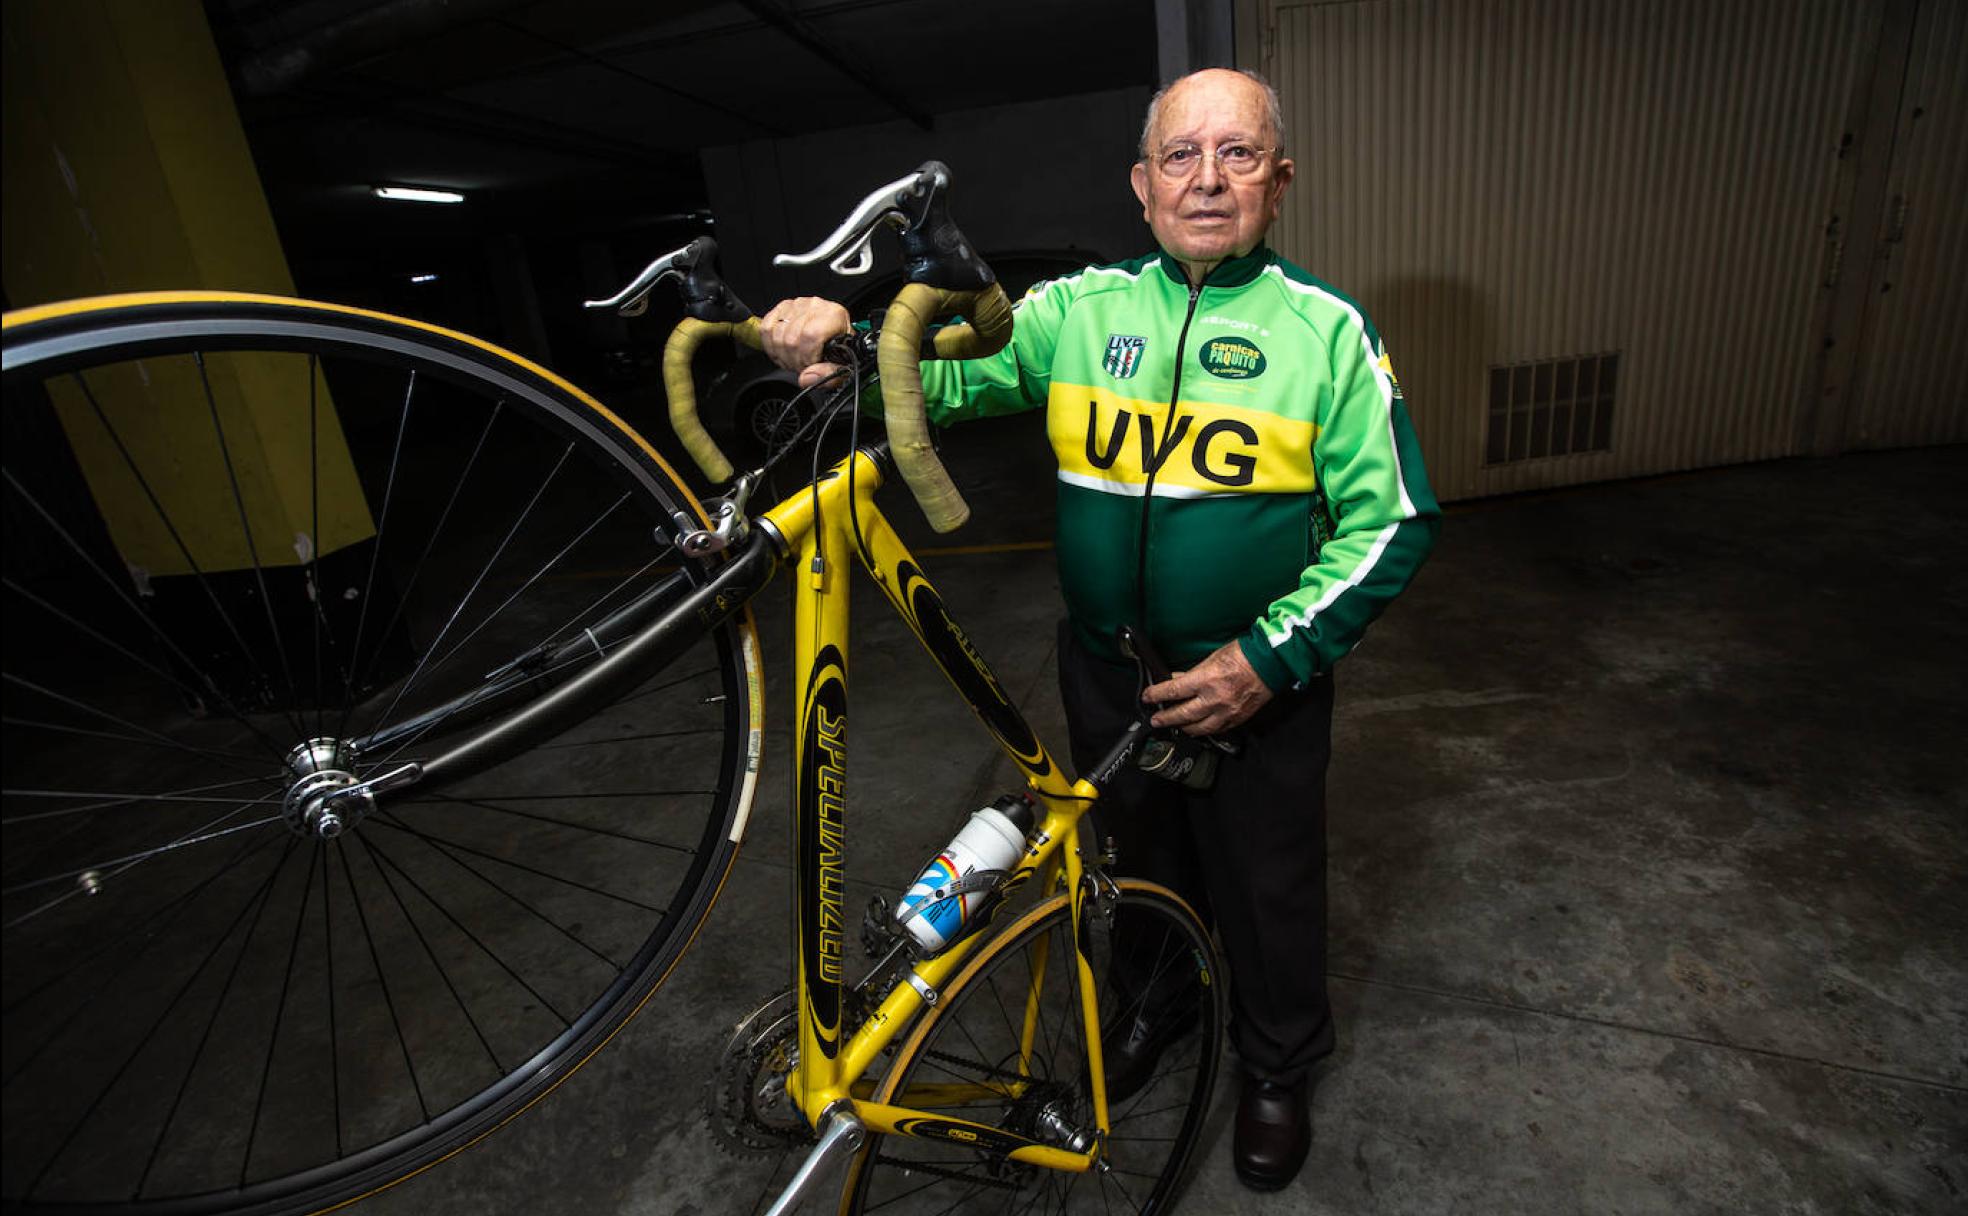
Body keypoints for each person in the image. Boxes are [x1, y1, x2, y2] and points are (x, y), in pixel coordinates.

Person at [759, 67, 1439, 1191]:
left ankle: (1276, 1064)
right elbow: (946, 375)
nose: (1208, 179)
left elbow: (1394, 521)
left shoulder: (1327, 333)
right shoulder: (1078, 311)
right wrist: (845, 337)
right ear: (1142, 184)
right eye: (1182, 155)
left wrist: (1268, 661)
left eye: (1238, 153)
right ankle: (1159, 1007)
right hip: (1107, 672)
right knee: (1128, 864)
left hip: (1252, 687)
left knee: (1267, 889)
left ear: (1281, 180)